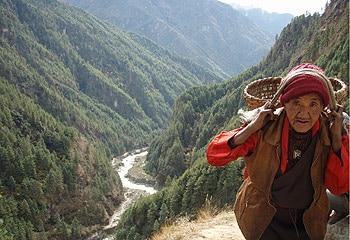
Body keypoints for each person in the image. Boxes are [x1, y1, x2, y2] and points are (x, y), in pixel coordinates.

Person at [206, 63, 349, 240]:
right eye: (296, 103)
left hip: (309, 219)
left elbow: (339, 186)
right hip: (264, 218)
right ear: (285, 103)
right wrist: (251, 127)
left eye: (313, 104)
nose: (304, 113)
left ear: (322, 107)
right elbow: (214, 156)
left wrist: (336, 138)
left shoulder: (330, 133)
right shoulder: (265, 126)